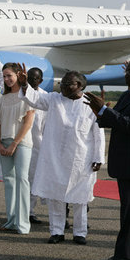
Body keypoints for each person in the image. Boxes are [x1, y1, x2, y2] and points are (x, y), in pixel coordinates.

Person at [18, 67, 105, 245]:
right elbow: (34, 99)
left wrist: (98, 158)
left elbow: (99, 134)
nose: (63, 86)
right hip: (55, 158)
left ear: (79, 85)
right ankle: (57, 231)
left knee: (80, 198)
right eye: (62, 83)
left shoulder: (90, 104)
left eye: (68, 84)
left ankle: (80, 232)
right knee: (55, 197)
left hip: (81, 160)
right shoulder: (54, 99)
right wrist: (25, 84)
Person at [84, 59, 130, 260]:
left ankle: (126, 255)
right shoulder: (126, 95)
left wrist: (105, 110)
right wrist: (99, 114)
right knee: (128, 212)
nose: (127, 73)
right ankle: (125, 254)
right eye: (128, 69)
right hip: (124, 163)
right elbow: (116, 120)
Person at [0, 39, 35, 235]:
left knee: (22, 180)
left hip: (21, 143)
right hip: (3, 142)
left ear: (18, 76)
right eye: (4, 76)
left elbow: (27, 123)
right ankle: (11, 220)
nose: (7, 79)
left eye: (10, 76)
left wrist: (14, 144)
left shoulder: (27, 96)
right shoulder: (3, 98)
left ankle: (23, 223)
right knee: (9, 181)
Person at [25, 67, 47, 224]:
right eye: (29, 77)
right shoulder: (20, 93)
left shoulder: (46, 97)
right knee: (22, 179)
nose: (31, 80)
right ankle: (21, 211)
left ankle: (30, 212)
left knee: (33, 179)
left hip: (39, 144)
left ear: (40, 81)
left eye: (34, 78)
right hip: (21, 142)